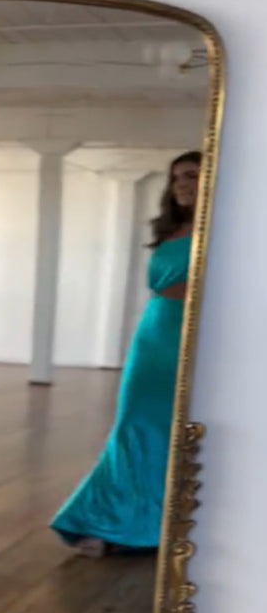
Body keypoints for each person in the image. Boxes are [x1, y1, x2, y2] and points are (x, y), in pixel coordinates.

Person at [50, 150, 201, 557]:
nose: (182, 185)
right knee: (134, 427)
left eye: (191, 175)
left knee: (179, 433)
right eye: (177, 178)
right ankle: (105, 521)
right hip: (155, 335)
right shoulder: (171, 229)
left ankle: (159, 525)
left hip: (197, 336)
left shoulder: (224, 230)